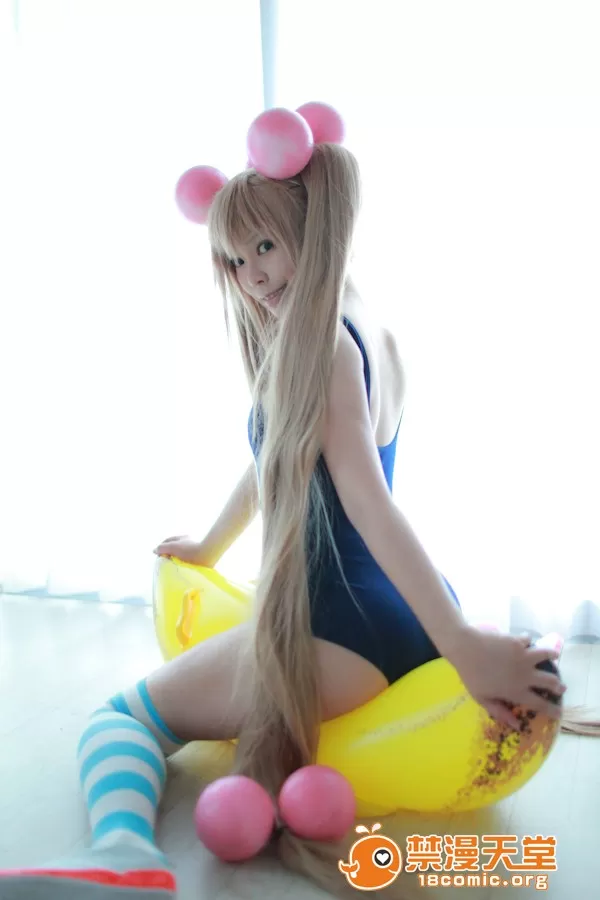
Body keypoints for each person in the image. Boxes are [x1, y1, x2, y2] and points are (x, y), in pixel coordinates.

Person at [0, 139, 567, 900]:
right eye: (235, 261)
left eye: (266, 245)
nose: (253, 276)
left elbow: (367, 503)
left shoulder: (323, 346)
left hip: (341, 625)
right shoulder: (365, 326)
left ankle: (124, 854)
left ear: (314, 226)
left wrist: (465, 648)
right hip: (389, 611)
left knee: (118, 720)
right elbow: (282, 458)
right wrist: (211, 544)